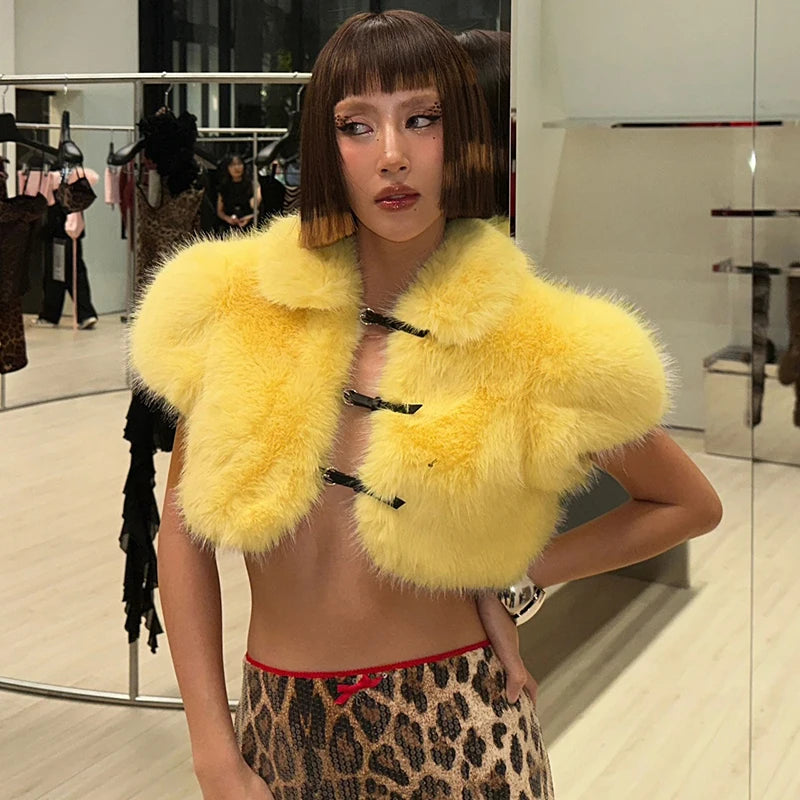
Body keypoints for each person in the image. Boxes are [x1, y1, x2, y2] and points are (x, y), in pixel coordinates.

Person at [130, 11, 722, 800]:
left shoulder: (529, 334)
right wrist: (212, 749)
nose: (393, 155)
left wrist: (517, 577)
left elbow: (687, 502)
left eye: (422, 119)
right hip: (278, 730)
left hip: (461, 730)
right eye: (357, 126)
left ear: (462, 136)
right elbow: (182, 533)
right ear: (324, 147)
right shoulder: (242, 307)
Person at [217, 154, 260, 230]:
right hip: (229, 226)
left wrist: (250, 217)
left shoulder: (252, 184)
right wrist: (228, 219)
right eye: (232, 165)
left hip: (251, 225)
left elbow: (257, 207)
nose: (236, 168)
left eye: (239, 164)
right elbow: (220, 211)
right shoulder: (224, 187)